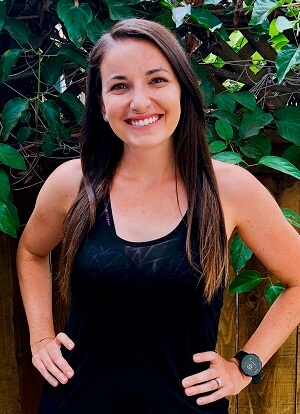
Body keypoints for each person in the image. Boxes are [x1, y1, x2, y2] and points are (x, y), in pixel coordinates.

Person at [17, 18, 300, 414]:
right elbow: (31, 251)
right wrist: (41, 337)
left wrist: (245, 366)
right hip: (75, 404)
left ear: (184, 89)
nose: (139, 102)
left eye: (157, 80)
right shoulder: (73, 183)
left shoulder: (229, 190)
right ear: (100, 104)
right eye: (119, 86)